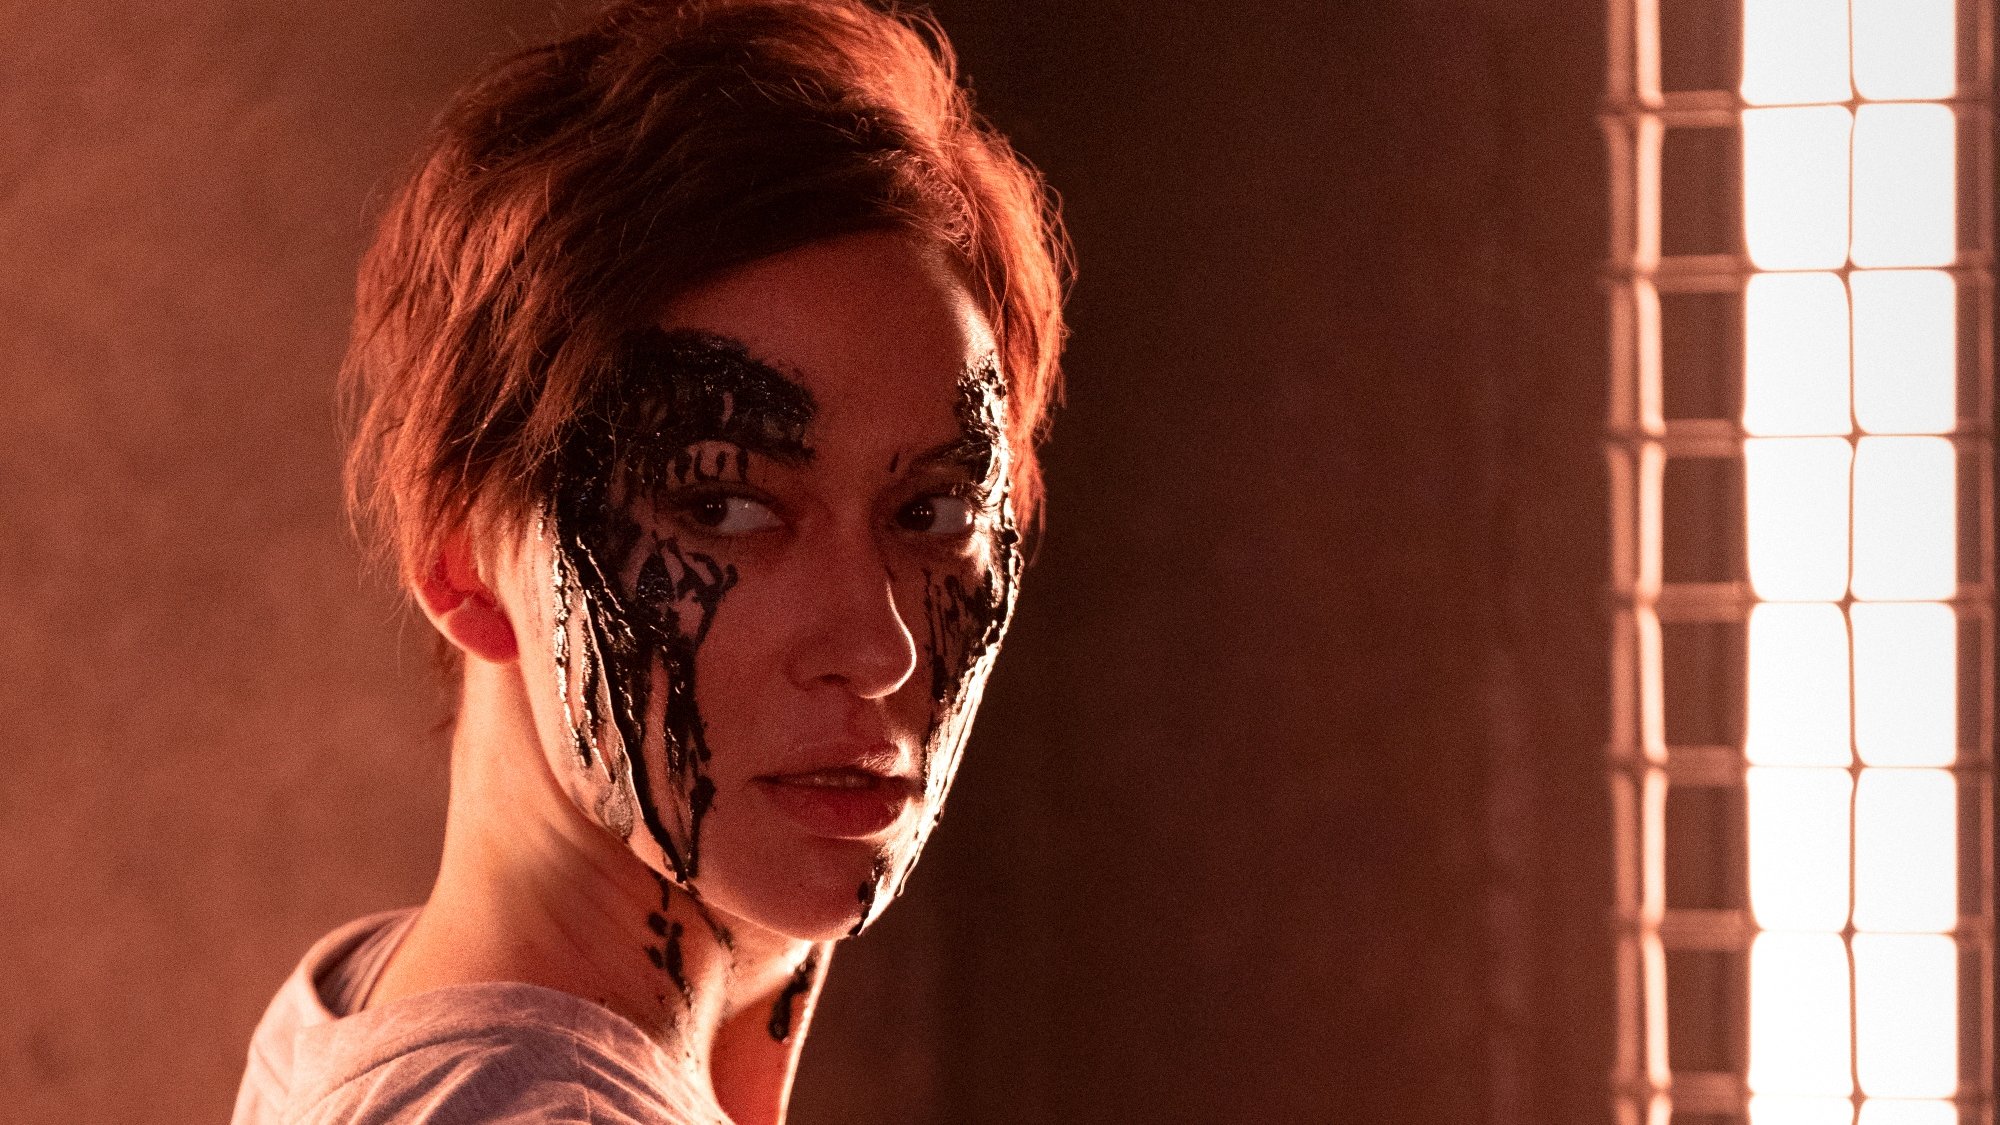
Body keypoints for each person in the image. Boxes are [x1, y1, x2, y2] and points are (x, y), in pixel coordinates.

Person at [230, 1, 1069, 1121]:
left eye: (932, 511)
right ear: (461, 559)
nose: (880, 650)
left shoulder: (362, 1003)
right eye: (722, 506)